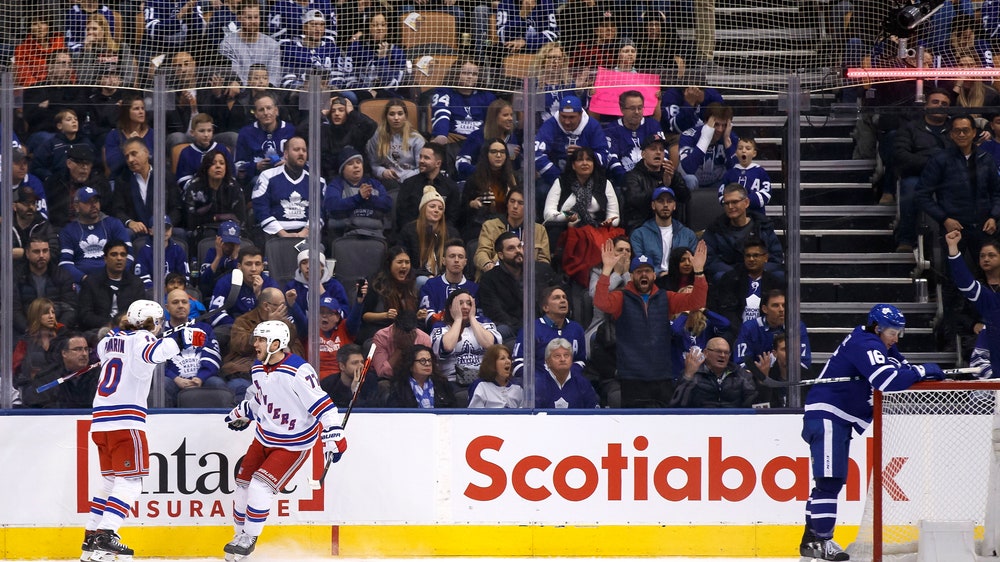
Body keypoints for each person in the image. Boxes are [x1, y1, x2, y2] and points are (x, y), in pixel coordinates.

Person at [799, 304, 944, 561]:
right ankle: (821, 541)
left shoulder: (882, 344)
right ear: (878, 329)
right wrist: (924, 370)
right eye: (893, 332)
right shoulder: (866, 343)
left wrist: (921, 373)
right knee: (829, 481)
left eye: (900, 332)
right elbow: (888, 381)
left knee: (828, 481)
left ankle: (812, 541)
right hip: (828, 415)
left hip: (835, 416)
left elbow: (902, 371)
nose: (896, 338)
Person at [81, 300, 205, 562]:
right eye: (159, 322)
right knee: (130, 483)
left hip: (101, 423)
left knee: (110, 482)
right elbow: (154, 354)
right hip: (126, 423)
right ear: (154, 322)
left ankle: (91, 539)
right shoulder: (143, 340)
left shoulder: (109, 341)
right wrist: (184, 338)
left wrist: (171, 338)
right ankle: (107, 532)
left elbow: (132, 350)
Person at [221, 320, 346, 560]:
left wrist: (333, 434)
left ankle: (249, 538)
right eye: (256, 338)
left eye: (260, 339)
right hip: (264, 437)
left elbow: (324, 407)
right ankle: (239, 540)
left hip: (293, 443)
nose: (255, 343)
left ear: (276, 343)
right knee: (243, 485)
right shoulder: (258, 367)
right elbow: (262, 399)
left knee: (260, 486)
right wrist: (244, 413)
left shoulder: (299, 371)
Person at [917, 114, 1000, 349]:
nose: (962, 134)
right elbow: (923, 194)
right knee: (956, 282)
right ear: (951, 134)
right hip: (956, 230)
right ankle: (954, 335)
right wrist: (944, 218)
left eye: (966, 130)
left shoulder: (986, 158)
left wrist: (994, 215)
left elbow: (997, 192)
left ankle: (989, 326)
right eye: (957, 131)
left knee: (990, 277)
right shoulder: (940, 160)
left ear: (974, 132)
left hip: (985, 228)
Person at [594, 240, 709, 407]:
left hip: (662, 375)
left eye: (647, 271)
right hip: (631, 376)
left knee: (663, 427)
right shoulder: (622, 297)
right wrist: (606, 270)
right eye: (638, 271)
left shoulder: (666, 297)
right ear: (632, 276)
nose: (643, 275)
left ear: (654, 275)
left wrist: (698, 271)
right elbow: (601, 302)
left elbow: (697, 301)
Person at [892, 88, 952, 252]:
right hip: (918, 175)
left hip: (948, 177)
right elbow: (901, 155)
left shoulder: (955, 129)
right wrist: (931, 164)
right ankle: (906, 239)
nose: (940, 106)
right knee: (910, 187)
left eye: (944, 104)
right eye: (935, 102)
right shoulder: (910, 128)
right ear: (926, 105)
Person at [221, 288, 305, 398]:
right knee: (239, 387)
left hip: (281, 373)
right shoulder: (244, 321)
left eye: (284, 305)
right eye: (280, 305)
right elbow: (241, 345)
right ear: (266, 306)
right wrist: (267, 326)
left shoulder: (286, 325)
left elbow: (297, 348)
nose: (283, 309)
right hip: (248, 372)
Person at [478, 231, 556, 341]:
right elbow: (495, 312)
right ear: (501, 255)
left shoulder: (541, 270)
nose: (518, 251)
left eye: (519, 246)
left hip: (543, 325)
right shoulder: (490, 279)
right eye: (511, 248)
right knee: (501, 331)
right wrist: (523, 329)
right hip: (511, 328)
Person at [702, 183, 784, 282]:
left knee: (779, 275)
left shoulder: (763, 226)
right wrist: (737, 273)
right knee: (719, 276)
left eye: (735, 202)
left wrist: (755, 271)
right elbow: (709, 260)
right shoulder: (715, 229)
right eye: (727, 203)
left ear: (746, 203)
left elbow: (776, 257)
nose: (730, 206)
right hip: (729, 279)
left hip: (760, 277)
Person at [430, 289, 501, 400]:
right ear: (450, 307)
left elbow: (490, 344)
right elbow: (447, 347)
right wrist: (458, 319)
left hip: (483, 379)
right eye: (460, 303)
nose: (465, 307)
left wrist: (472, 318)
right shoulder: (440, 326)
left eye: (469, 303)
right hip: (452, 382)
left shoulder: (484, 322)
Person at [162, 288, 229, 407]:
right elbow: (157, 363)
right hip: (174, 380)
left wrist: (200, 377)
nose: (181, 306)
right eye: (175, 302)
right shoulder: (162, 332)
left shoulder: (204, 328)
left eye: (184, 302)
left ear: (189, 305)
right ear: (167, 307)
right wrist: (176, 378)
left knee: (217, 383)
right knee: (163, 385)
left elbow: (212, 355)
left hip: (202, 378)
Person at [947, 229, 1000, 377]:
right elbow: (965, 282)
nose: (986, 259)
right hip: (994, 385)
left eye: (991, 255)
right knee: (978, 396)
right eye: (982, 255)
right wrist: (953, 248)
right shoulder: (991, 301)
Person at [534, 96, 611, 194]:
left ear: (581, 114)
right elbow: (536, 155)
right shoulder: (551, 125)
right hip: (557, 177)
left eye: (571, 117)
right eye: (563, 116)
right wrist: (558, 180)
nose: (567, 121)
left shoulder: (592, 126)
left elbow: (604, 156)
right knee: (541, 191)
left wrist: (584, 154)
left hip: (588, 179)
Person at [58, 186, 133, 284]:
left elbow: (129, 255)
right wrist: (84, 279)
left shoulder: (113, 224)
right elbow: (65, 263)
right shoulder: (68, 230)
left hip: (114, 278)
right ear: (76, 206)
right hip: (83, 283)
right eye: (88, 202)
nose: (94, 205)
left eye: (96, 201)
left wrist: (114, 277)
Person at [252, 136, 323, 239]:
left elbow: (320, 212)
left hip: (307, 235)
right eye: (296, 149)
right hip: (274, 234)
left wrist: (305, 232)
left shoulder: (317, 181)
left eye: (304, 150)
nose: (301, 153)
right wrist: (283, 234)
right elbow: (260, 208)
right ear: (285, 154)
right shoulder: (267, 176)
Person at [707, 238, 785, 332]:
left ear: (766, 258)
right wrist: (741, 330)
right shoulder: (731, 279)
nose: (751, 259)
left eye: (756, 255)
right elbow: (727, 311)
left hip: (766, 331)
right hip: (735, 331)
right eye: (748, 256)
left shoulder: (774, 282)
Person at [512, 285, 586, 379]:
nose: (563, 300)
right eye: (556, 298)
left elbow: (581, 360)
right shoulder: (531, 329)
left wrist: (567, 375)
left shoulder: (576, 329)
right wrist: (541, 379)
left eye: (564, 297)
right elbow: (518, 363)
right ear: (546, 307)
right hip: (540, 385)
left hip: (569, 382)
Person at [112, 138, 182, 237]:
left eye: (134, 154)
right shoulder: (123, 180)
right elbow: (117, 210)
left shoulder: (165, 176)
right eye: (127, 156)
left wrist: (166, 224)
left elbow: (176, 208)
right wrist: (130, 222)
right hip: (137, 231)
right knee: (126, 233)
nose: (130, 160)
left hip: (163, 228)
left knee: (181, 234)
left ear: (146, 152)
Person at [474, 187, 550, 278]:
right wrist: (488, 265)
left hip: (527, 279)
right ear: (507, 203)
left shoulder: (539, 230)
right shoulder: (490, 226)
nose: (515, 206)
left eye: (520, 203)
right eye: (512, 201)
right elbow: (481, 253)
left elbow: (544, 261)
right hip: (496, 276)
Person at [734, 289, 812, 376]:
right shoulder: (749, 327)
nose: (781, 309)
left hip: (787, 379)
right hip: (756, 379)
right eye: (775, 305)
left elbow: (804, 363)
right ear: (765, 309)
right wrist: (761, 373)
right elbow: (741, 364)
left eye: (784, 305)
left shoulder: (797, 327)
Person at [77, 240, 146, 337]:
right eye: (114, 255)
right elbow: (85, 315)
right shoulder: (91, 282)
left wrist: (123, 323)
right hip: (98, 330)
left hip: (129, 330)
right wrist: (110, 324)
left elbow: (140, 313)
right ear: (105, 258)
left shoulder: (136, 283)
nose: (119, 258)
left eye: (123, 255)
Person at [358, 247, 426, 344]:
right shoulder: (376, 284)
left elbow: (407, 319)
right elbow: (364, 316)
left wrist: (417, 316)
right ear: (389, 264)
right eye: (399, 262)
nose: (404, 266)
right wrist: (385, 315)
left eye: (407, 262)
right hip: (379, 332)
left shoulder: (411, 286)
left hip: (405, 333)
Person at [621, 135, 687, 233]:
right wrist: (662, 185)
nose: (658, 152)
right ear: (643, 154)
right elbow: (636, 201)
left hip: (670, 226)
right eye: (653, 149)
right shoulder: (632, 176)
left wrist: (673, 181)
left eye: (661, 149)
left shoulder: (671, 173)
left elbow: (685, 197)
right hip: (641, 227)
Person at [323, 146, 393, 237]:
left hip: (375, 235)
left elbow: (388, 203)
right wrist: (359, 198)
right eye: (350, 163)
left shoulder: (374, 184)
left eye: (358, 162)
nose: (356, 166)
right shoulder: (336, 185)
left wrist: (369, 198)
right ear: (342, 170)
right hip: (345, 236)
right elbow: (332, 205)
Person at [306, 93, 377, 182]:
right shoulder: (324, 130)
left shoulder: (355, 131)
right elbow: (302, 130)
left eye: (341, 110)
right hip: (332, 179)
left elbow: (371, 125)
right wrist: (322, 112)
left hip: (359, 179)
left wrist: (352, 112)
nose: (337, 114)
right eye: (333, 111)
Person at [629, 186, 698, 277]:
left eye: (669, 201)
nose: (665, 205)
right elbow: (639, 263)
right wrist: (660, 274)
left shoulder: (688, 235)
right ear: (653, 205)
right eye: (660, 201)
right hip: (652, 281)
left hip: (679, 279)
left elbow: (692, 262)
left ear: (674, 206)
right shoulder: (639, 234)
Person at [398, 186, 462, 284]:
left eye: (440, 208)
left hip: (445, 277)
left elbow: (457, 260)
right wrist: (426, 275)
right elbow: (405, 262)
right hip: (418, 277)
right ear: (423, 209)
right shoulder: (409, 231)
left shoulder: (451, 233)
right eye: (432, 206)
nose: (437, 210)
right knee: (423, 281)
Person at [670, 336, 758, 408]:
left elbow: (755, 404)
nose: (723, 355)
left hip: (733, 422)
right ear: (705, 353)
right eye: (718, 351)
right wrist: (688, 376)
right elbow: (676, 406)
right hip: (701, 422)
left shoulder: (740, 374)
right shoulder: (694, 373)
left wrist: (762, 383)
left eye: (726, 352)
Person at [458, 138, 518, 242]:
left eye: (502, 152)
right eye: (494, 152)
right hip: (481, 224)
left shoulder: (514, 179)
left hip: (508, 224)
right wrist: (472, 205)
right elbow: (461, 212)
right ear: (486, 154)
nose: (498, 155)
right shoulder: (474, 179)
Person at [13, 237, 77, 334]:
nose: (42, 255)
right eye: (36, 252)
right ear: (27, 254)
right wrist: (28, 330)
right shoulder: (17, 276)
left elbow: (70, 308)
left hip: (57, 330)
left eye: (45, 251)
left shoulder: (62, 275)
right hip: (25, 331)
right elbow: (14, 309)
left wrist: (59, 328)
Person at [234, 92, 297, 189]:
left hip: (287, 177)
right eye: (261, 110)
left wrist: (288, 164)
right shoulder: (245, 133)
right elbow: (238, 165)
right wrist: (256, 166)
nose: (266, 113)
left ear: (276, 110)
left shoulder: (290, 130)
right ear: (255, 114)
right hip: (257, 179)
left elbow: (302, 161)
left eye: (269, 108)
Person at [43, 144, 112, 229]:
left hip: (95, 228)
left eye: (88, 163)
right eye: (80, 163)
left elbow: (109, 210)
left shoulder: (100, 183)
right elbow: (52, 214)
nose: (85, 168)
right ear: (69, 163)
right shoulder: (54, 182)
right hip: (62, 229)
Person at [183, 148, 247, 240]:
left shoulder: (234, 187)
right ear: (206, 167)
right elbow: (189, 220)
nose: (218, 166)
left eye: (222, 163)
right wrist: (216, 217)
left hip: (230, 230)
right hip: (203, 230)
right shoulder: (194, 187)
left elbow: (241, 219)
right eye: (213, 163)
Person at [429, 59, 497, 145]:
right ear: (456, 74)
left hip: (479, 141)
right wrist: (441, 134)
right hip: (452, 140)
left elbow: (496, 122)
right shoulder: (443, 92)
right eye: (465, 73)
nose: (470, 77)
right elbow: (441, 114)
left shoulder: (488, 97)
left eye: (474, 74)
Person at [343, 12, 407, 100]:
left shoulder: (397, 52)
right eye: (375, 25)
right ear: (368, 27)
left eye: (383, 25)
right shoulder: (356, 47)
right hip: (363, 93)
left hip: (388, 95)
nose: (380, 29)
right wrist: (368, 91)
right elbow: (349, 78)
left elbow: (394, 86)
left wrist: (382, 60)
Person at [26, 333, 100, 409]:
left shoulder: (99, 375)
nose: (84, 354)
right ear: (64, 353)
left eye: (86, 349)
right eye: (78, 349)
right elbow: (36, 405)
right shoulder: (48, 378)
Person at [603, 90, 665, 179]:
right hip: (623, 180)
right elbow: (612, 158)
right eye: (632, 108)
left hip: (652, 178)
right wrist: (627, 180)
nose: (637, 112)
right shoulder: (612, 129)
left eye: (640, 108)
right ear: (622, 109)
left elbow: (663, 152)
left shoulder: (652, 125)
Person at [220, 0, 283, 86]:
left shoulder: (273, 45)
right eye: (249, 17)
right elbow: (234, 77)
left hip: (266, 94)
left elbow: (274, 78)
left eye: (256, 17)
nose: (253, 22)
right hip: (240, 94)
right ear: (239, 18)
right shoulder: (228, 44)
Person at [396, 143, 460, 228]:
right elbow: (402, 215)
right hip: (412, 233)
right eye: (421, 157)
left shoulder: (451, 187)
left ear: (438, 163)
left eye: (426, 158)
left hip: (441, 234)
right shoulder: (409, 184)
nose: (421, 161)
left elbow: (452, 218)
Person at [456, 99, 522, 181]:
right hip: (478, 182)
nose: (510, 118)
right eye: (505, 115)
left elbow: (515, 168)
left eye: (511, 115)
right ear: (494, 117)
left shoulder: (512, 138)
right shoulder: (477, 136)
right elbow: (460, 163)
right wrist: (482, 172)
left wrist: (513, 157)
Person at [365, 99, 425, 189]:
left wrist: (405, 177)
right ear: (386, 117)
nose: (396, 118)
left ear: (405, 116)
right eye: (392, 114)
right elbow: (373, 164)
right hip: (387, 180)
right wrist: (382, 172)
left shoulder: (416, 139)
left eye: (400, 114)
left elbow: (421, 168)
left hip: (411, 180)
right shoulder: (377, 136)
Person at [418, 239, 478, 328]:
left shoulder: (474, 288)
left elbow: (479, 317)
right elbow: (428, 316)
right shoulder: (431, 285)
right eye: (452, 256)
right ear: (443, 261)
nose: (456, 260)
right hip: (438, 332)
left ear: (465, 262)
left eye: (460, 257)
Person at [678, 103, 737, 191]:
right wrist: (705, 138)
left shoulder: (731, 138)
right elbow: (688, 169)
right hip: (694, 182)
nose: (720, 130)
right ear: (706, 122)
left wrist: (727, 142)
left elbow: (736, 172)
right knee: (690, 179)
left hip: (718, 184)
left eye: (724, 125)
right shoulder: (689, 136)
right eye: (716, 124)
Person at [31, 109, 96, 182]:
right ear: (59, 126)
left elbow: (95, 164)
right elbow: (37, 167)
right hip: (58, 184)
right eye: (69, 120)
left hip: (83, 182)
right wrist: (49, 178)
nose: (74, 121)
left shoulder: (86, 143)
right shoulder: (50, 144)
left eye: (76, 119)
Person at [385, 344, 458, 408]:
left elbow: (453, 409)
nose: (427, 364)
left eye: (429, 360)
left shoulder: (442, 383)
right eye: (422, 361)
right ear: (410, 364)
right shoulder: (399, 387)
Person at [175, 113, 235, 190]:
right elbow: (182, 179)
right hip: (196, 195)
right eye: (202, 131)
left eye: (209, 130)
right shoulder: (186, 152)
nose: (206, 134)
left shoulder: (222, 149)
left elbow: (231, 174)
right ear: (192, 133)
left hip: (221, 193)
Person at [535, 338, 599, 409]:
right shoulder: (538, 385)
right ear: (547, 362)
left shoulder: (582, 383)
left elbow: (593, 415)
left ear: (571, 359)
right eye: (557, 356)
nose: (563, 359)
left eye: (566, 355)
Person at [371, 310, 432, 381]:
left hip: (415, 379)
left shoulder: (424, 338)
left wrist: (410, 347)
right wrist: (400, 348)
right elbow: (381, 373)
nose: (406, 336)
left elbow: (426, 370)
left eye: (410, 333)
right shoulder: (381, 336)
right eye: (403, 333)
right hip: (389, 380)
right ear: (394, 328)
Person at [133, 215, 190, 290]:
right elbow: (142, 278)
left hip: (175, 291)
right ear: (150, 231)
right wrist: (158, 290)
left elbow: (185, 276)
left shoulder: (178, 250)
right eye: (159, 228)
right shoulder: (144, 251)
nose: (164, 231)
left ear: (171, 230)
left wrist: (174, 289)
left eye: (167, 228)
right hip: (152, 294)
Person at [103, 94, 153, 179]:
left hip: (150, 178)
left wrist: (140, 146)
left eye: (142, 108)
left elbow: (159, 161)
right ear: (126, 112)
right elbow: (113, 164)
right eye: (136, 109)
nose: (141, 112)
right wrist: (128, 146)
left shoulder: (153, 134)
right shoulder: (114, 135)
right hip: (122, 180)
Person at [719, 137, 771, 214]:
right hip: (734, 216)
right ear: (736, 152)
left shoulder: (760, 171)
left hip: (756, 214)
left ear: (754, 153)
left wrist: (746, 200)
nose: (743, 151)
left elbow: (767, 193)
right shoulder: (730, 173)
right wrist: (734, 202)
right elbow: (721, 194)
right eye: (740, 148)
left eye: (748, 148)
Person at [10, 186, 58, 264]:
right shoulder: (6, 225)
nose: (31, 207)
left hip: (37, 271)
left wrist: (24, 253)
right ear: (14, 206)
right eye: (26, 203)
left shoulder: (43, 224)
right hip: (9, 272)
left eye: (33, 203)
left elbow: (54, 252)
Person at [323, 343, 378, 407]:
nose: (361, 366)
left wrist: (356, 392)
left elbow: (370, 411)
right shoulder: (328, 385)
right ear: (342, 366)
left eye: (362, 362)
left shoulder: (371, 381)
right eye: (355, 363)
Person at [468, 344, 523, 408]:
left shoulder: (517, 387)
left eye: (509, 358)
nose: (508, 361)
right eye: (502, 358)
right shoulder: (480, 386)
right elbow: (474, 415)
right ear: (492, 363)